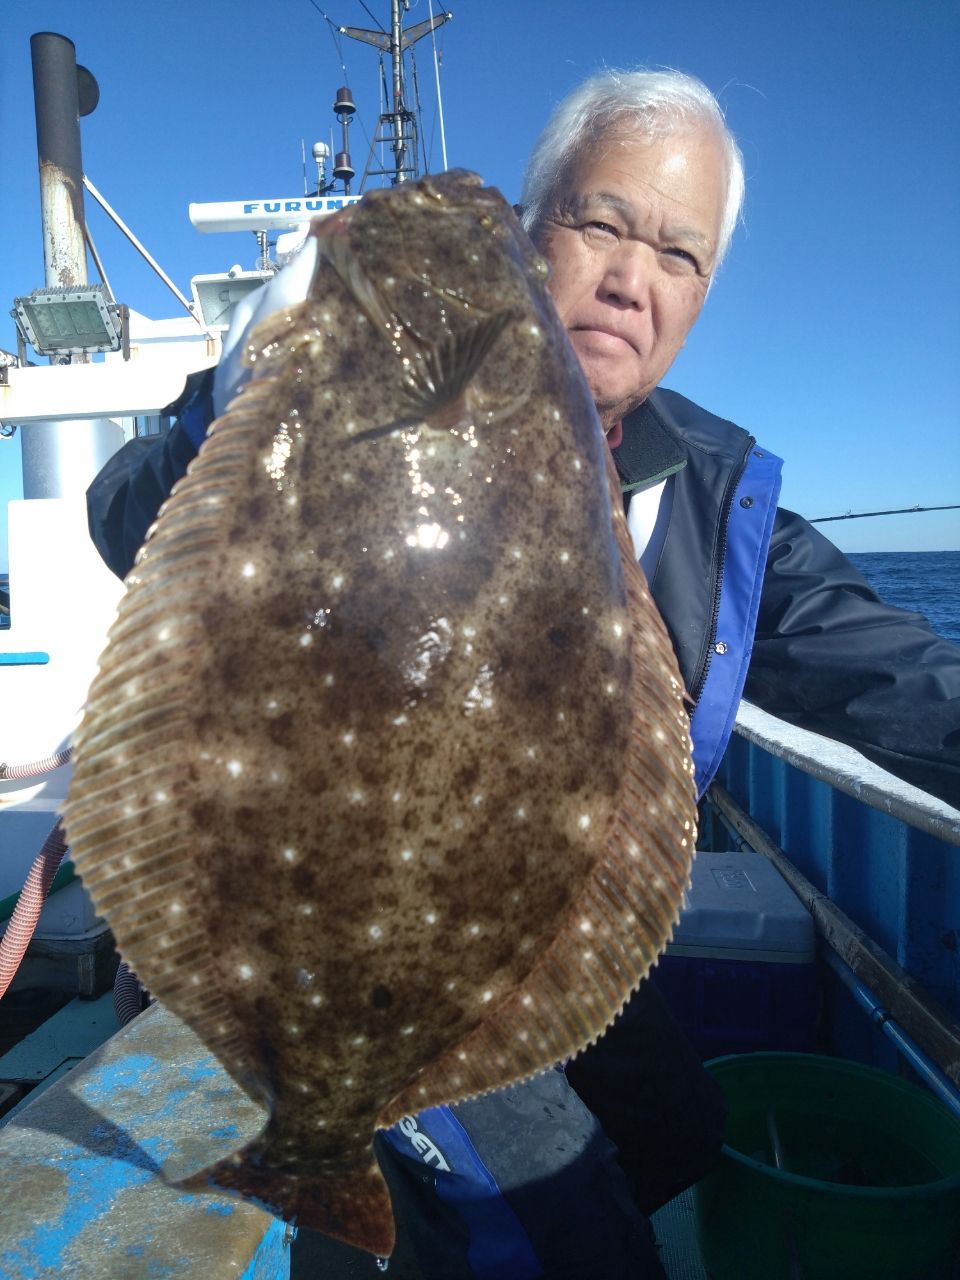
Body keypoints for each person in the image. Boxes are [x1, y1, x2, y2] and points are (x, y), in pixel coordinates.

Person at [85, 68, 960, 1279]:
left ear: (704, 292)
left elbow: (901, 679)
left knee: (678, 1125)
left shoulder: (713, 498)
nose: (630, 280)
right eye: (601, 223)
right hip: (305, 929)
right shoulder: (330, 392)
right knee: (569, 1230)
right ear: (533, 226)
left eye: (679, 254)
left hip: (495, 921)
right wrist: (226, 405)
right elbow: (125, 515)